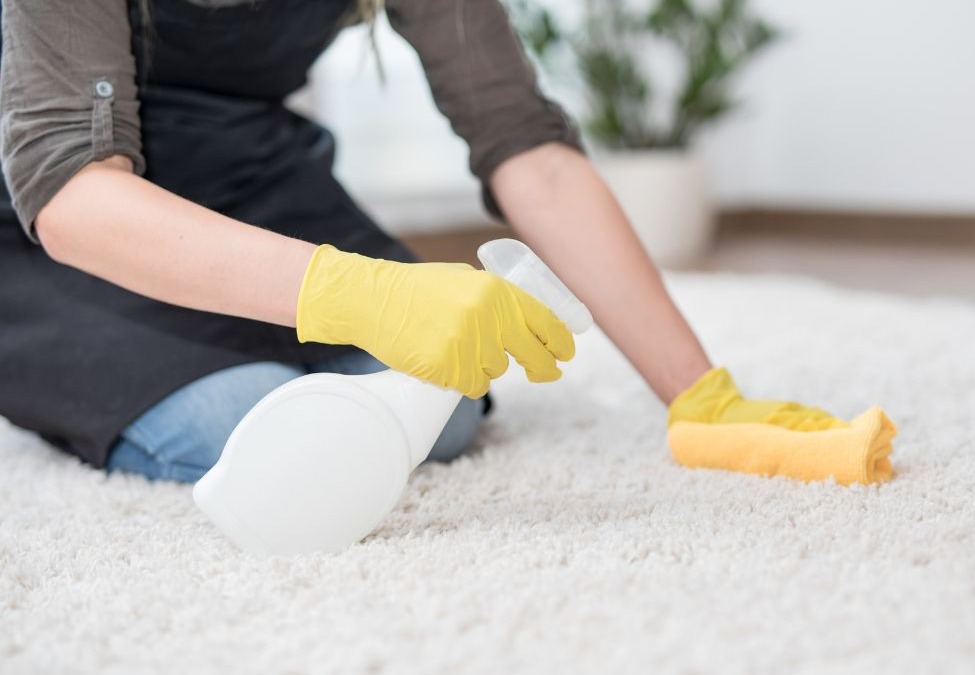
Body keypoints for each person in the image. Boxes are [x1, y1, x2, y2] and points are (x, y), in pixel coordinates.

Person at [0, 0, 859, 485]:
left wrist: (699, 394)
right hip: (59, 222)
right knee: (259, 429)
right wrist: (359, 294)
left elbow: (527, 147)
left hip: (251, 174)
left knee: (440, 414)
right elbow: (74, 196)